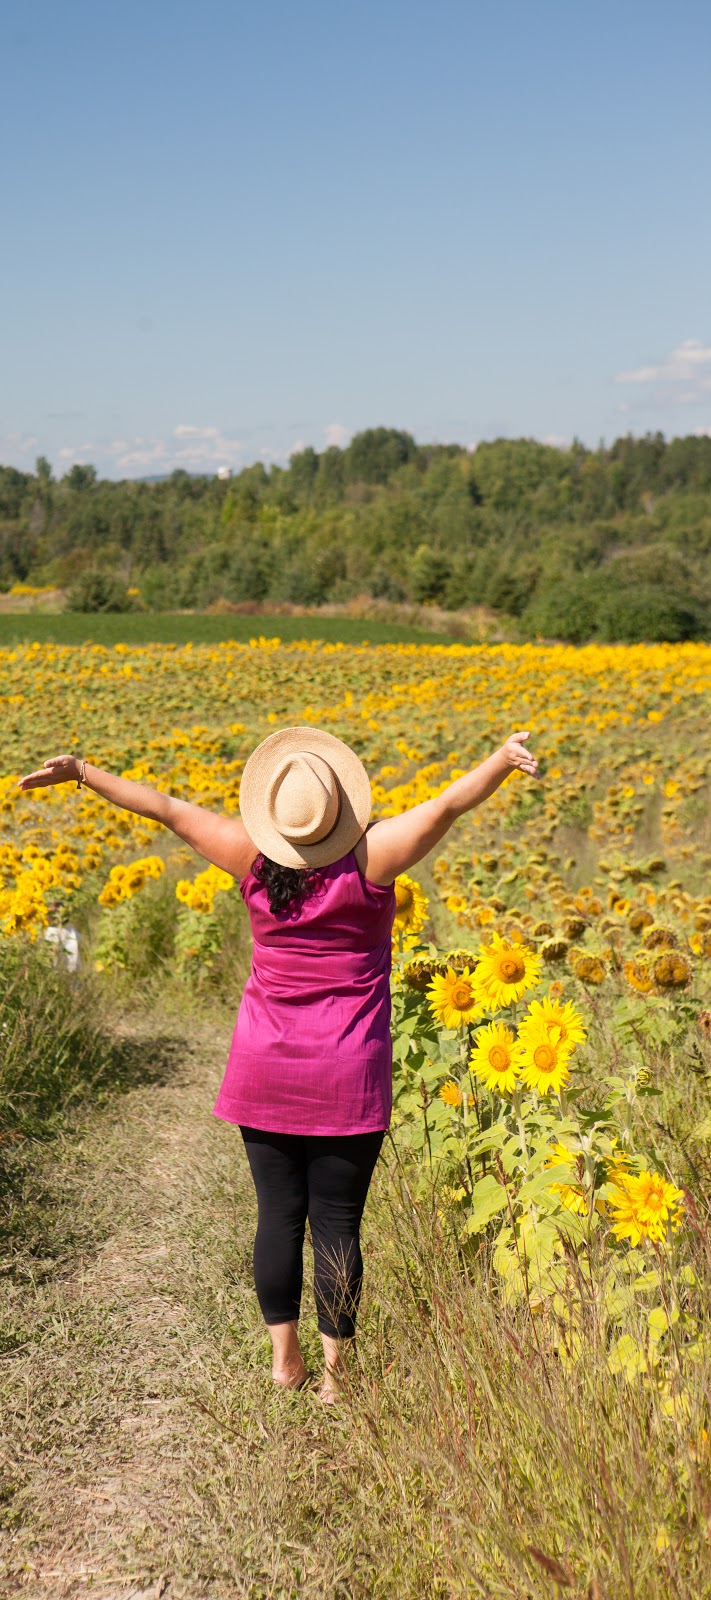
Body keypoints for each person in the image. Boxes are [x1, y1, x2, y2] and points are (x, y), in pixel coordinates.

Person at [18, 724, 538, 1400]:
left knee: (277, 1217)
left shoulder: (248, 859)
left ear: (273, 814)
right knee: (337, 1225)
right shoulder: (371, 860)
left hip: (263, 1068)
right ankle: (333, 1379)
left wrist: (85, 772)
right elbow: (445, 805)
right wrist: (498, 758)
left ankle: (281, 1361)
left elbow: (165, 809)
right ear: (341, 808)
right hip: (347, 1073)